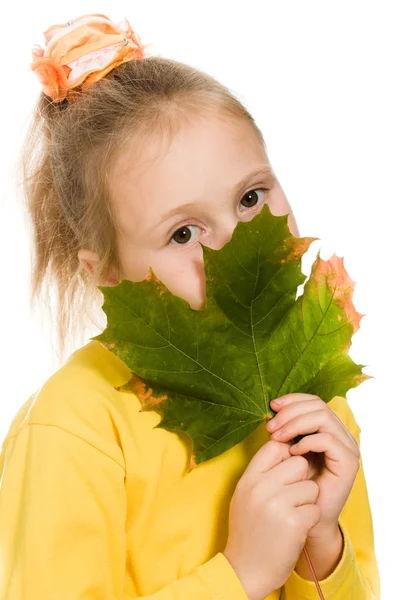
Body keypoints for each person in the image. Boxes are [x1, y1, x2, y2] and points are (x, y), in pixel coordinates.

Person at [0, 12, 380, 600]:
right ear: (105, 273)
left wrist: (322, 546)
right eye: (184, 233)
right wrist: (241, 575)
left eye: (252, 197)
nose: (235, 247)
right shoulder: (76, 427)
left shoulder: (313, 401)